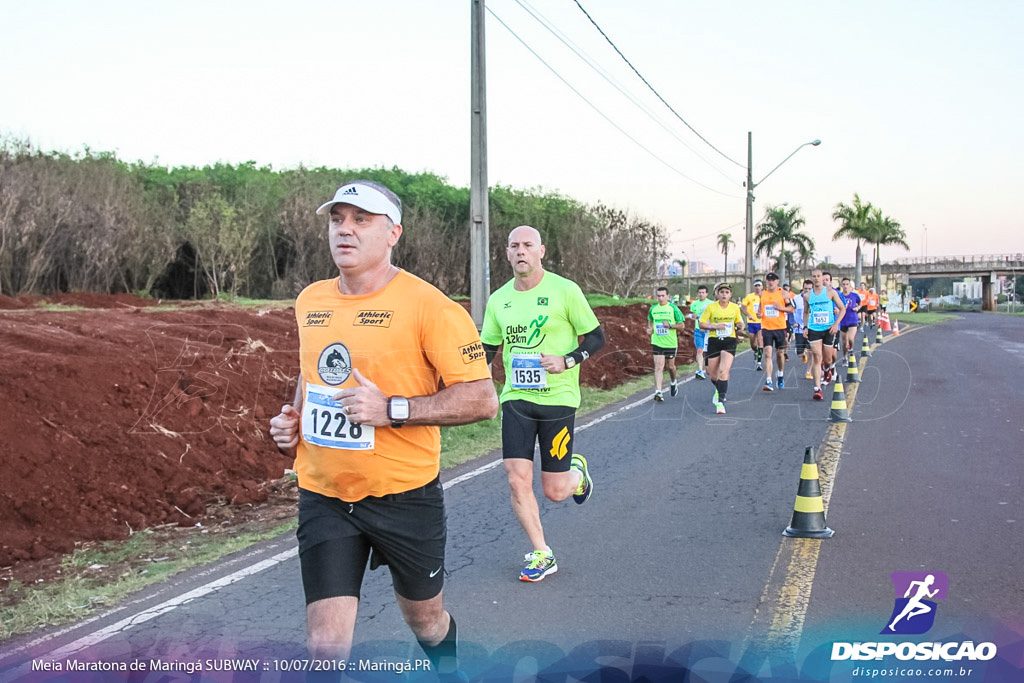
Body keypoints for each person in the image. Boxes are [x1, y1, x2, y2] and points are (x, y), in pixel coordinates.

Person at [267, 180, 499, 679]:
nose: (344, 230)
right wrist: (294, 421)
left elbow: (482, 399)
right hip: (325, 495)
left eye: (361, 219)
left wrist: (392, 408)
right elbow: (314, 373)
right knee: (325, 646)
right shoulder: (312, 300)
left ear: (393, 232)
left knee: (426, 621)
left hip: (404, 497)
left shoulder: (431, 307)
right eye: (337, 219)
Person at [480, 225, 604, 582]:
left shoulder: (565, 291)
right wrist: (477, 383)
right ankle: (541, 552)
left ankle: (576, 476)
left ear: (541, 251)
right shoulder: (499, 299)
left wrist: (567, 360)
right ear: (506, 254)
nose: (521, 251)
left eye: (527, 245)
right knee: (517, 479)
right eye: (514, 246)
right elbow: (488, 347)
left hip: (558, 398)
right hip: (516, 398)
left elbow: (596, 337)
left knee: (555, 491)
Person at [699, 283, 745, 414]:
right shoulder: (710, 308)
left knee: (724, 370)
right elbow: (701, 323)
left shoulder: (735, 307)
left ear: (730, 295)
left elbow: (739, 321)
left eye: (727, 292)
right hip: (714, 340)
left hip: (729, 341)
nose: (724, 294)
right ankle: (720, 389)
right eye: (722, 292)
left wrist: (741, 326)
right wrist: (715, 327)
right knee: (711, 373)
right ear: (717, 294)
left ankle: (721, 400)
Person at [803, 269, 846, 401]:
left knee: (827, 359)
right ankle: (817, 389)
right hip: (814, 329)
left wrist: (835, 324)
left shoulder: (830, 292)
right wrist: (805, 326)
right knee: (817, 357)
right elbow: (806, 312)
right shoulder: (807, 296)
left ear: (822, 278)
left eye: (818, 276)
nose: (816, 279)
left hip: (828, 329)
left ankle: (827, 369)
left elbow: (842, 308)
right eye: (814, 276)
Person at [647, 286, 686, 401]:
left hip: (670, 342)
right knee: (658, 366)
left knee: (670, 366)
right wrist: (650, 328)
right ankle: (658, 392)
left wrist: (670, 326)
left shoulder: (673, 308)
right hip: (657, 341)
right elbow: (650, 320)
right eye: (658, 296)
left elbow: (682, 326)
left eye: (663, 296)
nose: (660, 298)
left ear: (668, 296)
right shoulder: (653, 309)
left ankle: (673, 382)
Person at [757, 273, 794, 391]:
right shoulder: (763, 294)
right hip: (766, 328)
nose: (770, 282)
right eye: (768, 280)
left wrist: (780, 308)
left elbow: (791, 309)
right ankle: (769, 380)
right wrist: (759, 314)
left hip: (780, 328)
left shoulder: (783, 293)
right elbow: (760, 309)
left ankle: (780, 374)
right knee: (767, 353)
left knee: (779, 354)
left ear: (777, 281)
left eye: (773, 280)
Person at [688, 285, 713, 380]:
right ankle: (700, 370)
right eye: (700, 293)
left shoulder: (711, 304)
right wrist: (692, 316)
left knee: (707, 351)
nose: (701, 294)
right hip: (698, 330)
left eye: (703, 293)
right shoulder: (694, 304)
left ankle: (709, 367)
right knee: (699, 350)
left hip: (708, 331)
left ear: (706, 294)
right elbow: (692, 315)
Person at [741, 280, 764, 370]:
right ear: (754, 287)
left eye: (759, 286)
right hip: (751, 322)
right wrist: (748, 314)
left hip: (761, 322)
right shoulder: (749, 297)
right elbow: (742, 307)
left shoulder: (765, 296)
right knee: (753, 343)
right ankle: (755, 351)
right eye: (756, 286)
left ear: (762, 287)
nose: (758, 287)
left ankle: (759, 362)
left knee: (760, 341)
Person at [838, 278, 862, 361]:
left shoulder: (854, 295)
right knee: (844, 342)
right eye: (844, 284)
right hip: (843, 320)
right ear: (842, 285)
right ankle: (845, 357)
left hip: (853, 319)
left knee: (851, 339)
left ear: (850, 285)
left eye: (847, 284)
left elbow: (860, 303)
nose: (845, 286)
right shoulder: (839, 296)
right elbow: (835, 306)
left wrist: (858, 308)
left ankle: (851, 349)